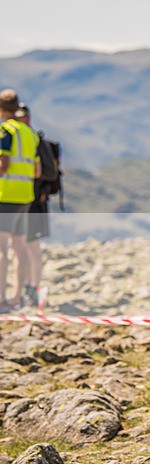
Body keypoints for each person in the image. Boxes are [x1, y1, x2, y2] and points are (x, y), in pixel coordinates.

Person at [0, 89, 40, 312]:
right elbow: (36, 171)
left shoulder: (6, 131)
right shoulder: (29, 133)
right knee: (20, 248)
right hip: (25, 196)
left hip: (5, 195)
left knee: (1, 249)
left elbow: (3, 165)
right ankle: (18, 297)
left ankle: (1, 299)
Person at [15, 103, 57, 307]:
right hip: (19, 201)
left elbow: (49, 173)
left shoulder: (36, 141)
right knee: (19, 247)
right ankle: (22, 289)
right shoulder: (14, 141)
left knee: (31, 247)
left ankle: (33, 288)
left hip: (34, 203)